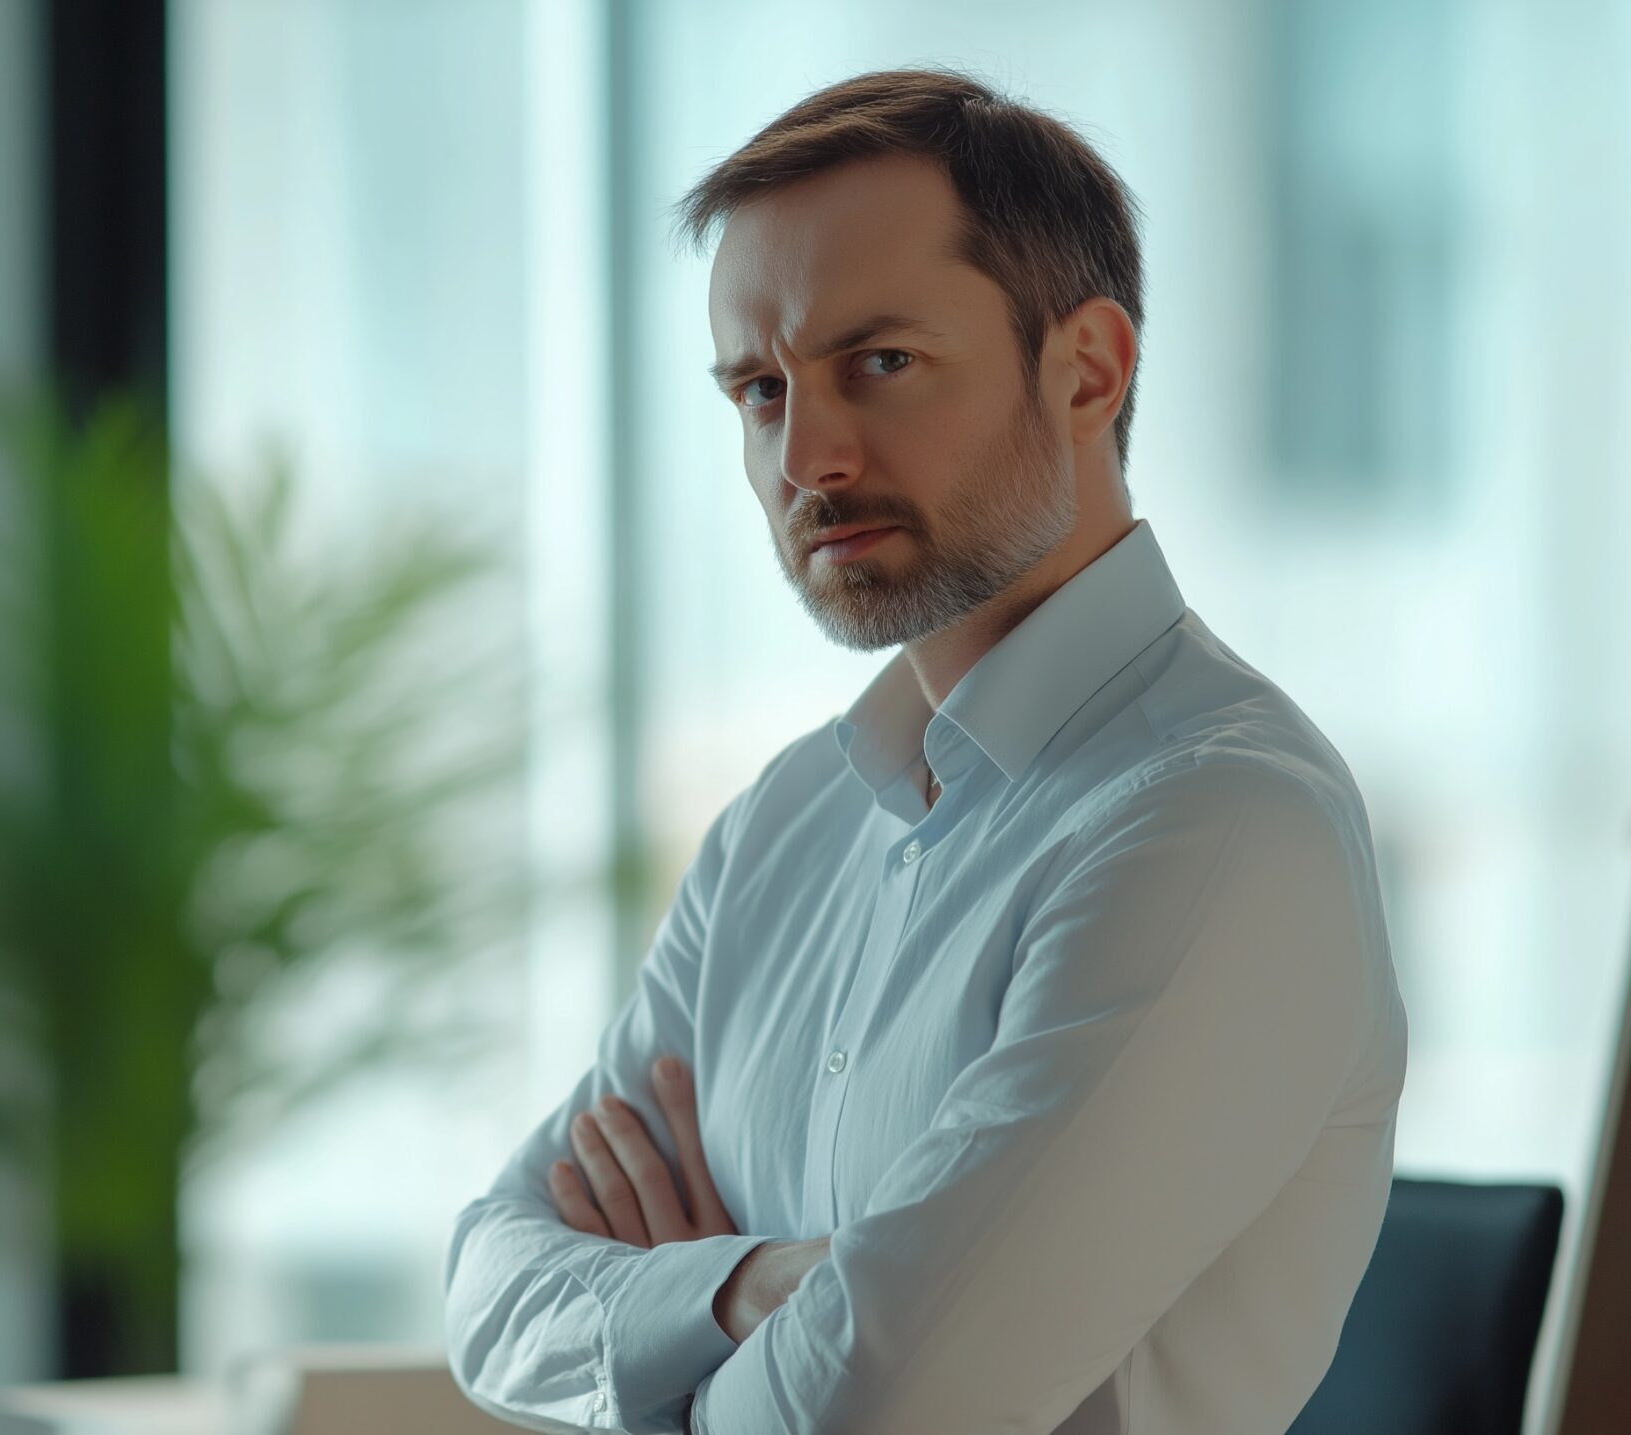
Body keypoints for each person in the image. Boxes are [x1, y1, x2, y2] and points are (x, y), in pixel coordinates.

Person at [445, 70, 1406, 1434]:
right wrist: (752, 1292)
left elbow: (878, 1406)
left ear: (1088, 369)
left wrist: (656, 1335)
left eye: (878, 364)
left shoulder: (1221, 827)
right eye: (760, 390)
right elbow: (488, 1287)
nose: (807, 457)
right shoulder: (786, 824)